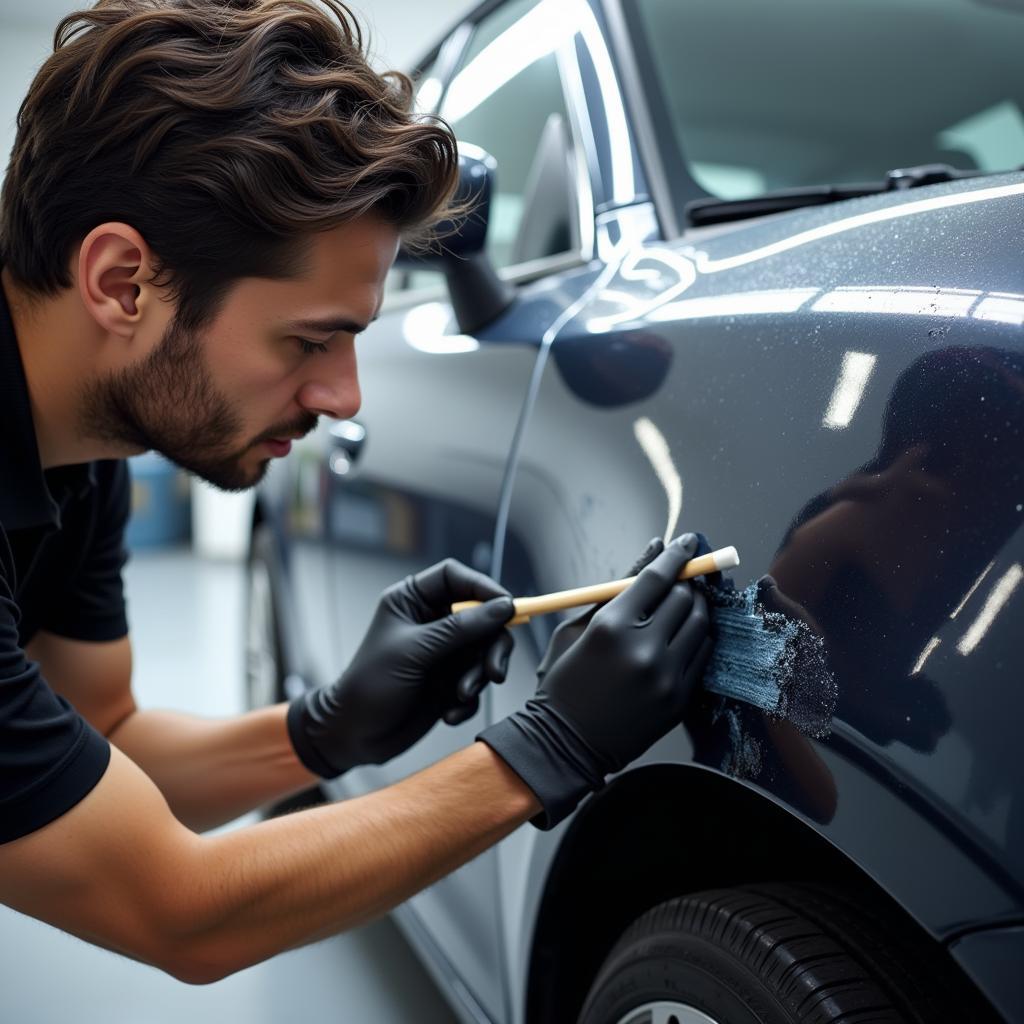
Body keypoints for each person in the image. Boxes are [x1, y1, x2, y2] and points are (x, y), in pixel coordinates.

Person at [0, 0, 712, 983]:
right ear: (123, 282)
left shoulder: (80, 457)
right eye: (307, 339)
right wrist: (545, 748)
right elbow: (173, 908)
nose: (343, 398)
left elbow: (104, 743)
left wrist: (322, 730)